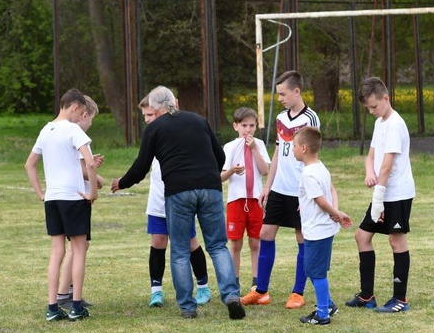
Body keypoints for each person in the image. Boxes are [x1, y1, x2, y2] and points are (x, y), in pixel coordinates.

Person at [111, 86, 245, 320]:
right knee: (217, 246)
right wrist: (207, 174)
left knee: (180, 250)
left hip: (178, 191)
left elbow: (141, 166)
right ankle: (231, 295)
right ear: (174, 102)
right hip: (210, 188)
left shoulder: (155, 128)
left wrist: (121, 182)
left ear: (154, 107)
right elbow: (220, 156)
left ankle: (187, 307)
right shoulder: (198, 120)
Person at [241, 70, 320, 309]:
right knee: (265, 234)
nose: (281, 98)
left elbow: (314, 156)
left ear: (297, 91)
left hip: (300, 190)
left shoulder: (311, 118)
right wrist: (268, 186)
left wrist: (308, 191)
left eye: (284, 94)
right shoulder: (281, 118)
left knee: (301, 237)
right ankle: (261, 291)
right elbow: (278, 152)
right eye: (278, 94)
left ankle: (297, 292)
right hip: (279, 189)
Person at [24, 88, 98, 322]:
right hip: (73, 198)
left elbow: (30, 164)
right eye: (81, 113)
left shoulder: (46, 130)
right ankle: (76, 306)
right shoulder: (72, 130)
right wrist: (93, 193)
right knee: (78, 251)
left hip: (53, 199)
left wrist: (40, 193)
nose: (80, 119)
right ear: (75, 108)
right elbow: (90, 164)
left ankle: (52, 307)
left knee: (57, 252)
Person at [345, 77, 415, 313]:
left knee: (396, 240)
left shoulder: (395, 124)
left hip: (396, 194)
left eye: (374, 107)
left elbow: (386, 166)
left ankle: (400, 300)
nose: (372, 112)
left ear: (386, 98)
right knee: (362, 236)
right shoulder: (380, 123)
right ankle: (367, 296)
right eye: (368, 109)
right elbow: (371, 157)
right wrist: (368, 174)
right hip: (382, 192)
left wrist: (378, 198)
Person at [138, 95, 211, 308]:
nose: (148, 119)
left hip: (179, 199)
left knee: (189, 243)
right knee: (158, 241)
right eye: (145, 116)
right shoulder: (151, 134)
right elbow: (141, 164)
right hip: (158, 202)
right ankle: (156, 291)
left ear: (161, 110)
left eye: (150, 114)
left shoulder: (178, 130)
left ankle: (203, 286)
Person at [292, 127, 352, 325]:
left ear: (303, 148)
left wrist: (337, 213)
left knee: (315, 271)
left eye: (293, 146)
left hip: (317, 231)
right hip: (323, 229)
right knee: (313, 269)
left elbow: (320, 200)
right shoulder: (320, 167)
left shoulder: (308, 173)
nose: (292, 150)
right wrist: (334, 209)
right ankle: (328, 303)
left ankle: (323, 314)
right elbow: (330, 190)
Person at [56, 96, 105, 309]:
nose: (90, 125)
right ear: (83, 115)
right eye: (91, 120)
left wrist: (90, 161)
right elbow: (82, 170)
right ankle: (64, 294)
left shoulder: (63, 133)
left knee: (80, 245)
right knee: (78, 247)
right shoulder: (75, 134)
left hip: (69, 198)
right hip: (76, 198)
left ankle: (70, 292)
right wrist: (99, 181)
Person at [221, 107, 270, 291]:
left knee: (255, 241)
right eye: (244, 125)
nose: (247, 130)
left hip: (255, 200)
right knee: (235, 242)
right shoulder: (230, 147)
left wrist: (254, 149)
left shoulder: (259, 144)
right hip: (236, 200)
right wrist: (233, 170)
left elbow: (265, 171)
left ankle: (256, 280)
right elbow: (221, 176)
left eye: (251, 125)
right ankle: (234, 280)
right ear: (236, 126)